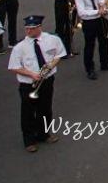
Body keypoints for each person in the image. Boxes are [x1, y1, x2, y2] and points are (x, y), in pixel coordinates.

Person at [8, 14, 65, 152]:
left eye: (32, 28)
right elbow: (14, 67)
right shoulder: (20, 47)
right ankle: (29, 140)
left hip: (47, 80)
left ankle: (43, 134)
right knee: (28, 112)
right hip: (28, 84)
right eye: (27, 28)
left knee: (45, 108)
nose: (28, 31)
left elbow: (59, 54)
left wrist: (50, 66)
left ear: (39, 27)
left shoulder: (52, 39)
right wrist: (32, 74)